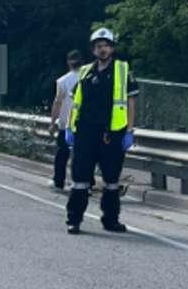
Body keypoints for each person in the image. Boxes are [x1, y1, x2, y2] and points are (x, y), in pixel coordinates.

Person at [65, 28, 138, 234]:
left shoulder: (123, 71)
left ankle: (110, 220)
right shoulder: (86, 71)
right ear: (93, 50)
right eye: (99, 46)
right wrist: (70, 127)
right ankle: (74, 219)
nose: (102, 49)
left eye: (106, 45)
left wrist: (129, 131)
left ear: (112, 48)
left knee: (111, 180)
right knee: (80, 179)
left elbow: (131, 103)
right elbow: (75, 102)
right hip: (85, 132)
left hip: (112, 134)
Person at [49, 50, 83, 190]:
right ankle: (84, 183)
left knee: (62, 155)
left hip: (66, 124)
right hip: (84, 123)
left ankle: (59, 182)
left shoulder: (63, 81)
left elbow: (58, 102)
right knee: (83, 155)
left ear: (68, 62)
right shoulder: (88, 78)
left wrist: (52, 122)